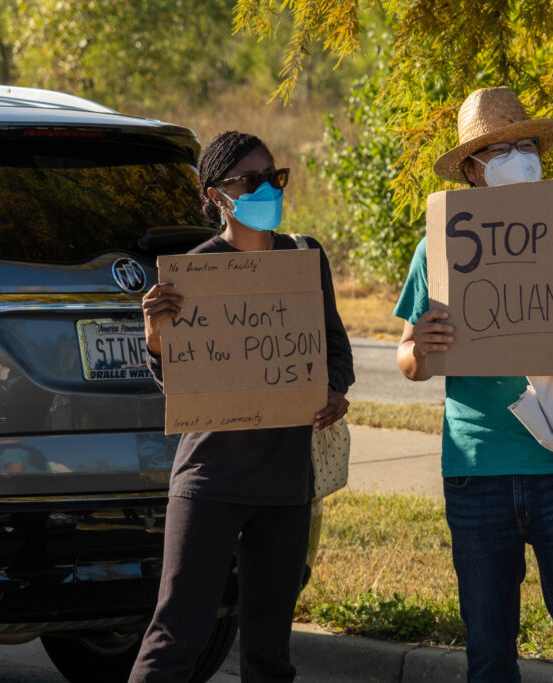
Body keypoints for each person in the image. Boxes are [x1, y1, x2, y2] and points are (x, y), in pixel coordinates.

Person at [394, 87, 553, 682]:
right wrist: (419, 349)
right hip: (477, 475)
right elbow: (408, 358)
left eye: (526, 146)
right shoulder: (439, 246)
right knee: (490, 658)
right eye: (498, 151)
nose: (519, 159)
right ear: (473, 170)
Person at [129, 130, 354, 683]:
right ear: (215, 195)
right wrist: (156, 337)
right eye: (250, 180)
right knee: (175, 638)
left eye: (273, 177)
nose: (267, 188)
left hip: (285, 485)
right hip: (210, 480)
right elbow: (178, 383)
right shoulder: (192, 273)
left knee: (270, 653)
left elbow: (335, 347)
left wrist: (334, 392)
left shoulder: (306, 257)